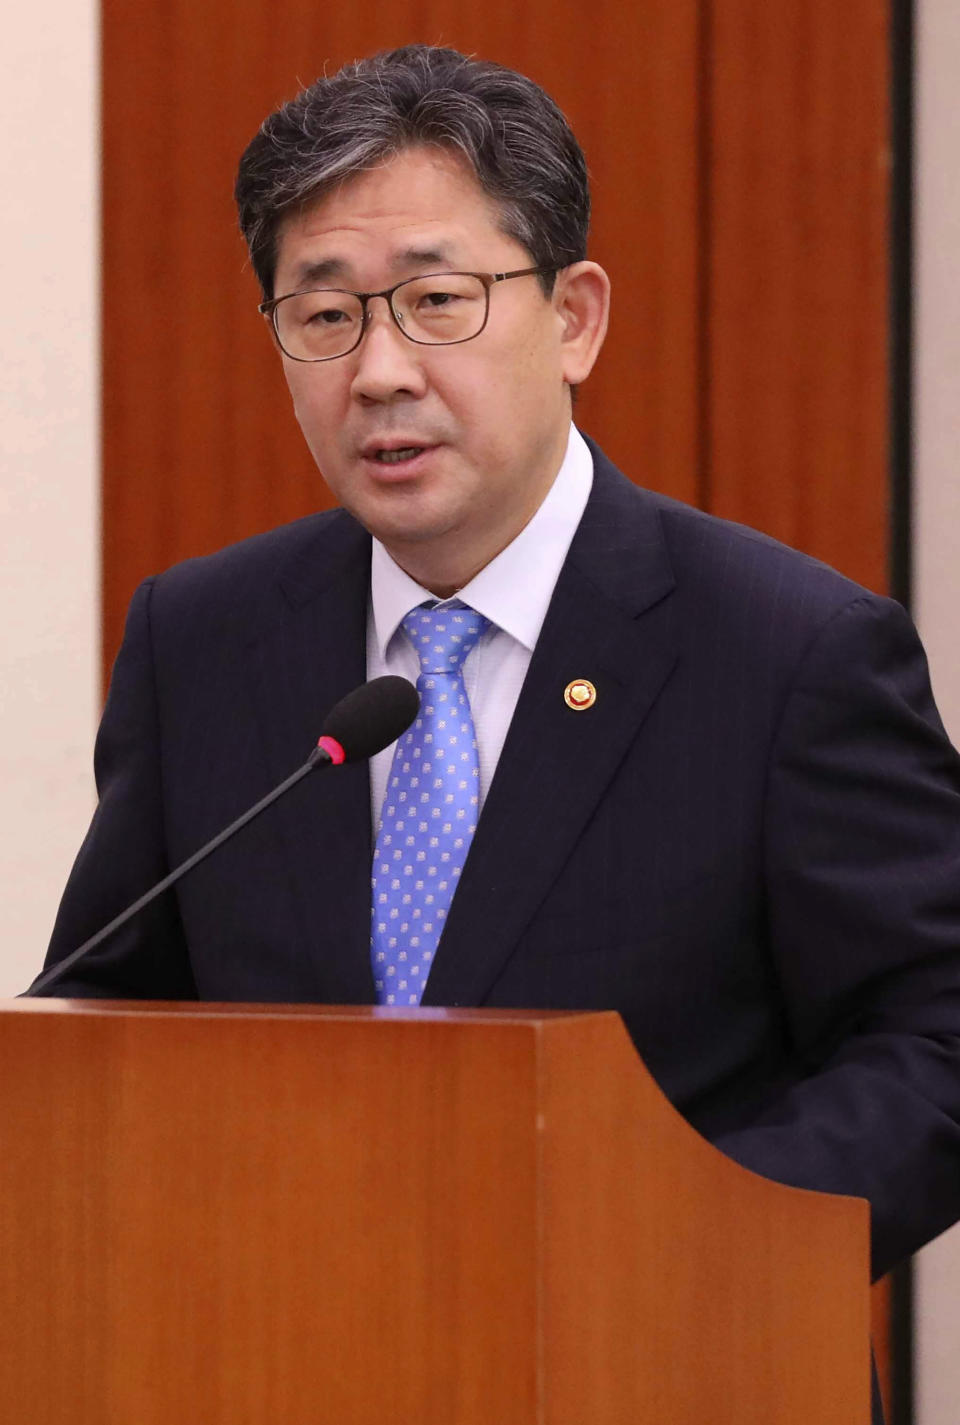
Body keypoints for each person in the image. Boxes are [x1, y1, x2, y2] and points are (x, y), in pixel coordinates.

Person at [35, 42, 960, 1309]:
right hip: (282, 1349)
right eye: (324, 315)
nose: (380, 371)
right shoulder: (204, 639)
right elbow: (102, 1021)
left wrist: (683, 1241)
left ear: (574, 318)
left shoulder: (789, 650)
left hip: (661, 1353)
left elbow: (936, 1039)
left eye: (436, 302)